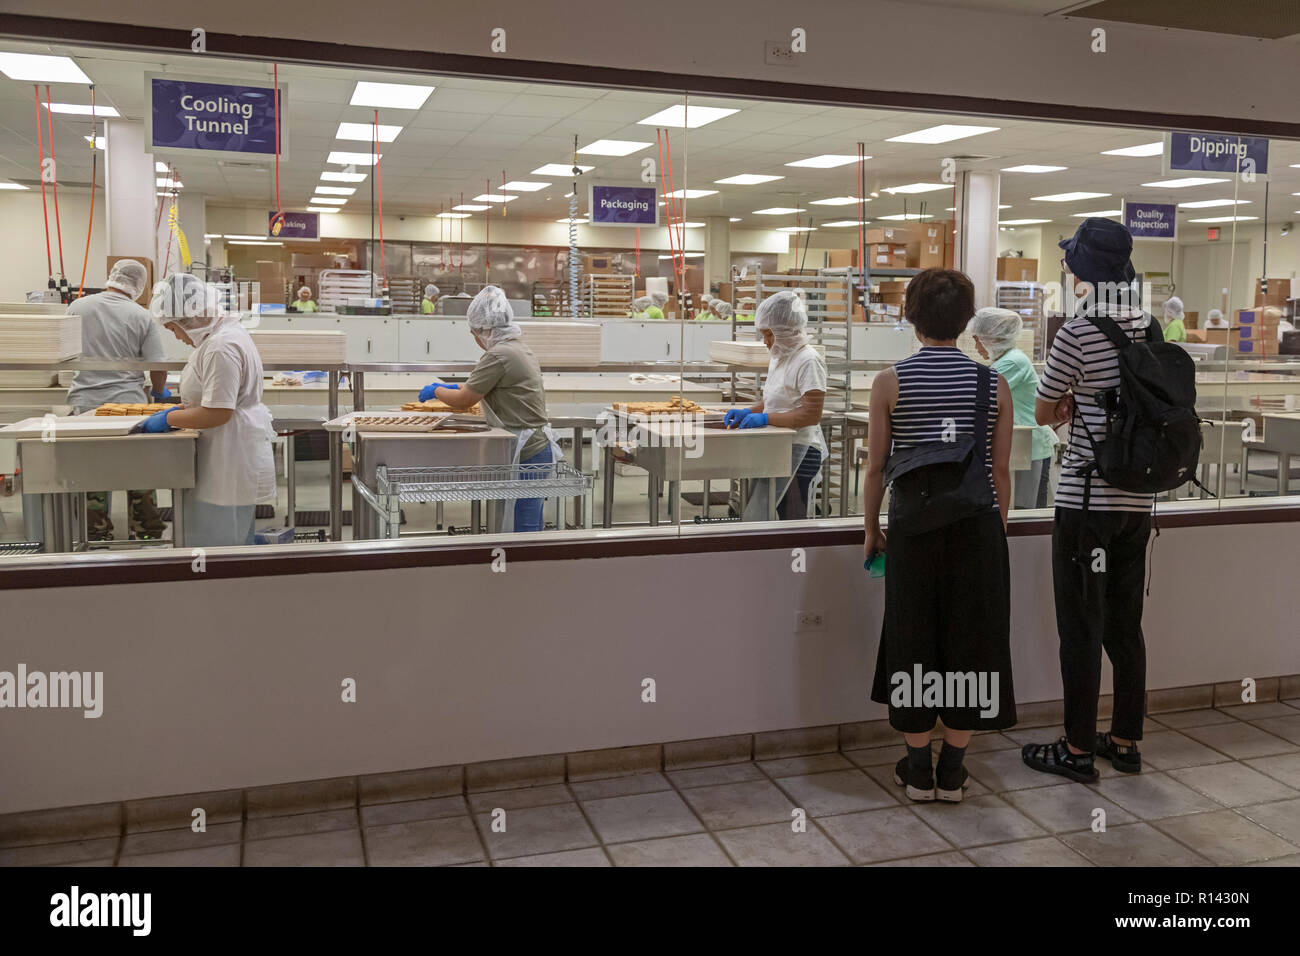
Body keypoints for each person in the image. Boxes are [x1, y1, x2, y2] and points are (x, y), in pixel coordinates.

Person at [862, 269, 1016, 802]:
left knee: (913, 637)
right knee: (971, 639)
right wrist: (996, 531)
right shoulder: (991, 383)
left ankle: (917, 766)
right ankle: (953, 770)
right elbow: (999, 473)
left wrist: (871, 529)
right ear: (966, 319)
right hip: (976, 529)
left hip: (912, 528)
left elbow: (875, 469)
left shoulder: (890, 381)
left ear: (910, 315)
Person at [1023, 217, 1155, 783]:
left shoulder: (1077, 332)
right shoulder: (1149, 326)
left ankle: (1076, 749)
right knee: (1126, 625)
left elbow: (1044, 411)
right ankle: (1124, 741)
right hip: (1137, 502)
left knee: (1080, 626)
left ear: (1081, 269)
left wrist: (1075, 404)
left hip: (1085, 503)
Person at [141, 273, 276, 548]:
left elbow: (217, 413)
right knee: (225, 530)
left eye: (173, 329)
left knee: (219, 535)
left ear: (187, 319)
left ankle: (218, 585)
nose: (176, 336)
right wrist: (182, 408)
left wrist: (168, 418)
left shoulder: (220, 347)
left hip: (227, 451)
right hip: (227, 445)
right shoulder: (222, 336)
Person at [416, 285, 561, 533]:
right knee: (527, 515)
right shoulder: (518, 347)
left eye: (474, 333)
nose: (475, 339)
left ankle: (522, 567)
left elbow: (464, 400)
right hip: (534, 446)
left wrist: (436, 391)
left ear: (485, 330)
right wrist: (458, 385)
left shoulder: (498, 354)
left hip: (526, 450)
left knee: (522, 521)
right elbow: (487, 385)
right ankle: (528, 566)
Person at [66, 258, 169, 540]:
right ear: (139, 285)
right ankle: (147, 532)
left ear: (111, 276)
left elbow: (65, 351)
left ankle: (95, 533)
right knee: (139, 471)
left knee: (92, 470)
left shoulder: (77, 307)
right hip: (128, 406)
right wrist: (159, 393)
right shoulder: (141, 315)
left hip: (85, 404)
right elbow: (158, 366)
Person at [722, 290, 827, 520]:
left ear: (787, 331)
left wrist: (767, 419)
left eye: (769, 335)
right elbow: (773, 399)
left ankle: (795, 555)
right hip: (776, 447)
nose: (766, 341)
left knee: (792, 518)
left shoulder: (808, 361)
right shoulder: (781, 356)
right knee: (770, 514)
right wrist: (749, 411)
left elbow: (811, 414)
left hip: (800, 450)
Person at [969, 307, 1057, 509]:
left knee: (1026, 511)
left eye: (978, 339)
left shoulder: (1013, 362)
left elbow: (979, 395)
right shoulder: (1004, 360)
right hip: (1023, 447)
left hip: (1030, 447)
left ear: (995, 338)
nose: (976, 346)